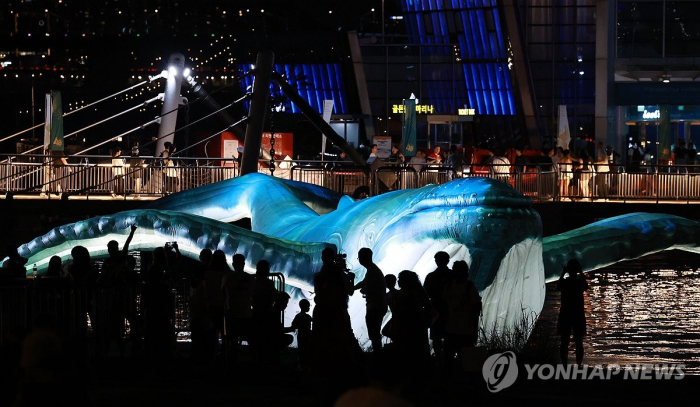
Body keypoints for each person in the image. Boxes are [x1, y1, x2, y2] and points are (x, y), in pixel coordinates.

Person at [311, 247, 359, 373]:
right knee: (343, 338)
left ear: (322, 258)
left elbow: (317, 294)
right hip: (337, 311)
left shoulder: (319, 276)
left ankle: (324, 366)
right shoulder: (339, 273)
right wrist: (351, 278)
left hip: (322, 311)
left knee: (324, 340)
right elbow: (350, 291)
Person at [443, 260, 482, 371]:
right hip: (454, 329)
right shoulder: (450, 286)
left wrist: (474, 331)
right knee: (453, 357)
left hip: (463, 330)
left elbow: (476, 310)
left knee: (461, 358)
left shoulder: (468, 287)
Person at [221, 253, 254, 365]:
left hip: (232, 311)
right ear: (244, 264)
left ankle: (232, 362)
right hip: (246, 312)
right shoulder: (250, 278)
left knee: (232, 339)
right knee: (249, 338)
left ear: (233, 264)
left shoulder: (227, 277)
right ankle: (253, 361)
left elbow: (223, 294)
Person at [355, 247, 388, 352]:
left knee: (374, 333)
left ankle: (378, 354)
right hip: (378, 305)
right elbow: (363, 283)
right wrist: (353, 288)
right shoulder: (372, 269)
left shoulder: (372, 271)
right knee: (375, 332)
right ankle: (378, 353)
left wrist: (361, 290)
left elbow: (366, 288)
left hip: (375, 306)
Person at [557, 259, 589, 366]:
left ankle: (564, 364)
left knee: (564, 342)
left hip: (565, 313)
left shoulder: (565, 283)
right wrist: (581, 272)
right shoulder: (579, 283)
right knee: (578, 341)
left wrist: (563, 273)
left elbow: (558, 287)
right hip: (578, 314)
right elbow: (586, 286)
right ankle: (578, 365)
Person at [423, 251, 453, 365]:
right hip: (447, 309)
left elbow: (426, 293)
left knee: (437, 336)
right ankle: (446, 360)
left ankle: (440, 359)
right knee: (447, 335)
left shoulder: (431, 276)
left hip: (436, 309)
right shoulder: (452, 275)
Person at [289, 299, 312, 370]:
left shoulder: (298, 316)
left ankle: (302, 364)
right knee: (306, 350)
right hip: (307, 335)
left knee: (301, 350)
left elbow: (293, 324)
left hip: (301, 335)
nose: (309, 308)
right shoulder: (308, 317)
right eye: (308, 306)